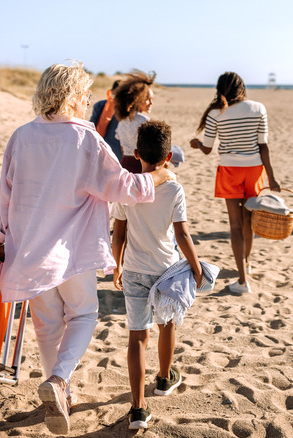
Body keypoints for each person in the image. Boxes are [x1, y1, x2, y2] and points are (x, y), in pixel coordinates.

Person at [0, 63, 175, 435]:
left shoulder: (21, 137)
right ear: (72, 96)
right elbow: (121, 187)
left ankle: (61, 390)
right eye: (85, 94)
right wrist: (157, 176)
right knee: (85, 315)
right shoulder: (84, 138)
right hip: (72, 252)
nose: (88, 100)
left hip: (29, 252)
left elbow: (4, 199)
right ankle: (58, 381)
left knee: (46, 326)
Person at [110, 120, 203, 429]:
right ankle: (164, 379)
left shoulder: (128, 188)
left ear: (137, 154)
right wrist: (198, 267)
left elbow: (118, 234)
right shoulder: (175, 188)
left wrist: (116, 265)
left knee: (137, 337)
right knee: (167, 325)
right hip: (165, 271)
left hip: (134, 270)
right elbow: (182, 236)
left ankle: (138, 409)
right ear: (168, 157)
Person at [189, 72, 281, 294]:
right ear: (242, 87)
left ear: (220, 89)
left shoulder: (215, 113)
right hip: (254, 171)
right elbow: (263, 146)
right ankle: (246, 263)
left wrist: (198, 144)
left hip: (230, 171)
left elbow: (208, 149)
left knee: (235, 226)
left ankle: (242, 280)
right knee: (249, 221)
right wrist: (272, 177)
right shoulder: (258, 108)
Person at [114, 70, 155, 173]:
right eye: (148, 99)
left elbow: (123, 149)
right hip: (142, 165)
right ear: (138, 99)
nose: (151, 103)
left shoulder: (122, 122)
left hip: (125, 165)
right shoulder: (145, 121)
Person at [90, 79, 122, 162]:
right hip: (120, 152)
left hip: (101, 148)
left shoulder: (100, 105)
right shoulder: (127, 110)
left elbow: (91, 126)